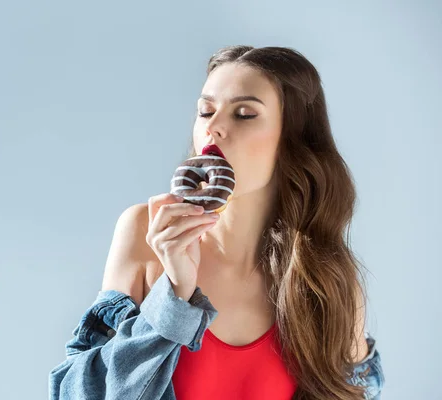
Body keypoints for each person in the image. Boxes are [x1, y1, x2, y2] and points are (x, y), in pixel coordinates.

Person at [49, 45, 385, 400]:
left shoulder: (327, 278)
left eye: (244, 114)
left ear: (291, 140)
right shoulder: (145, 234)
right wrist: (174, 294)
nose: (214, 127)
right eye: (206, 111)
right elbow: (79, 394)